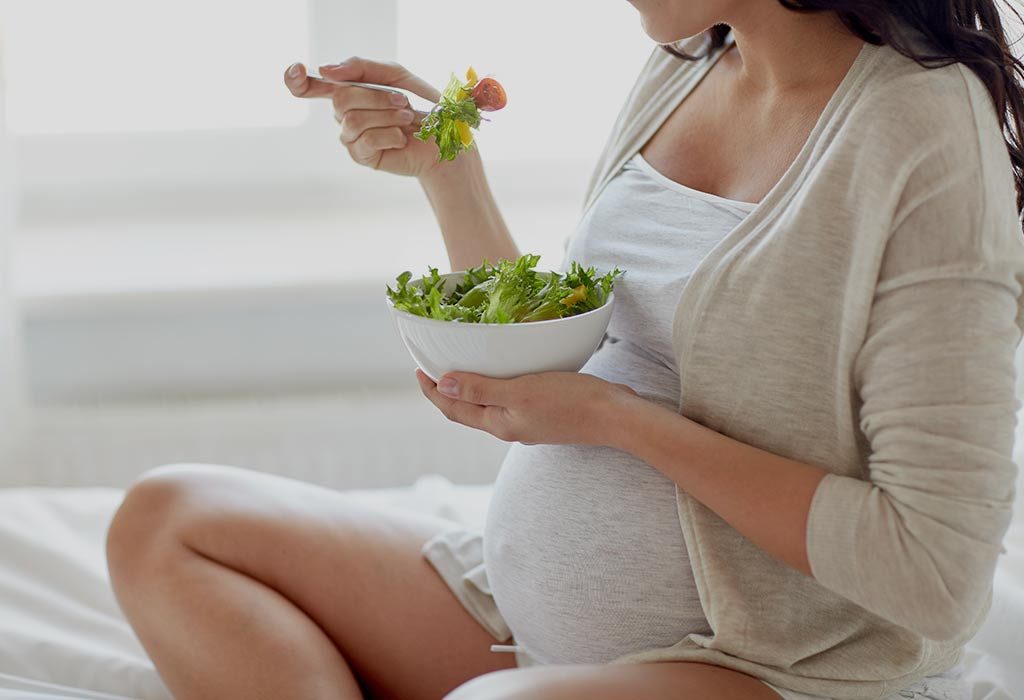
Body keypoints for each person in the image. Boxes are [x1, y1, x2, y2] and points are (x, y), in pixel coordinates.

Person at [105, 1, 1024, 699]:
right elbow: (578, 362)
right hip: (519, 614)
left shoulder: (921, 131)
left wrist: (620, 424)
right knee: (167, 521)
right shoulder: (691, 62)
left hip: (766, 664)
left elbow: (935, 574)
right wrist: (449, 171)